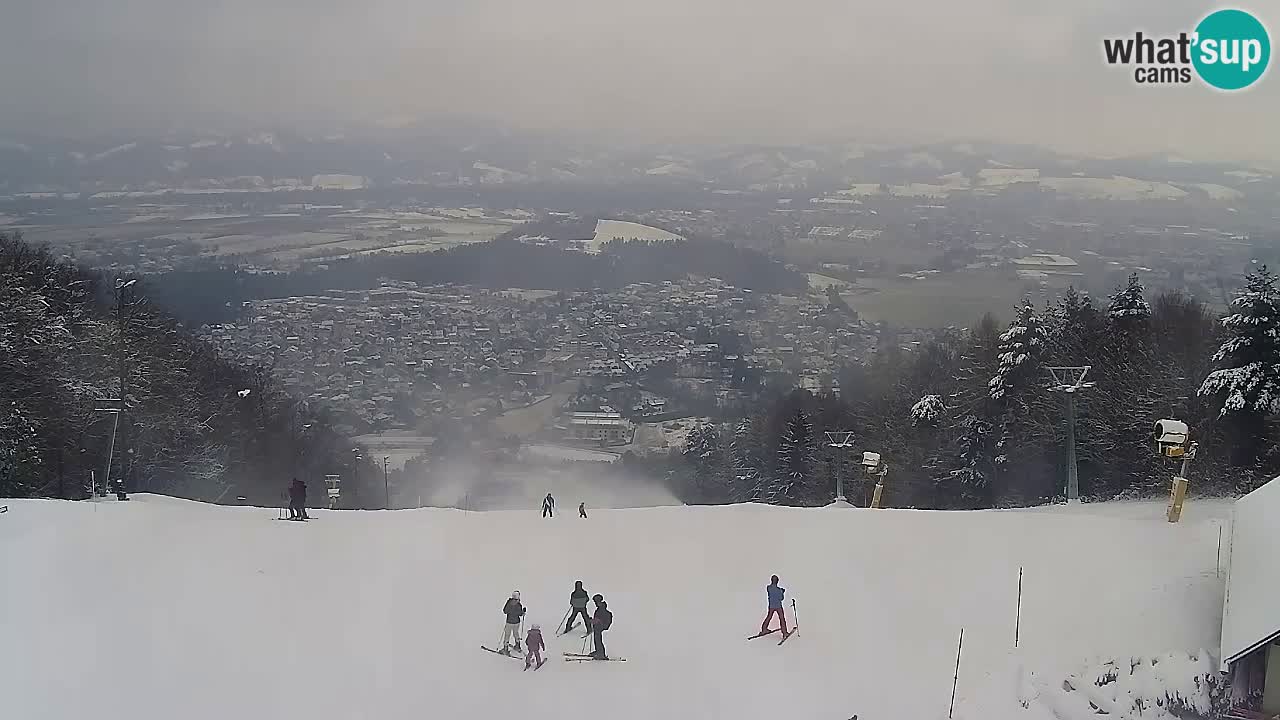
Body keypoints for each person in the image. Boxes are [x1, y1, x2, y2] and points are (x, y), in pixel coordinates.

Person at [500, 590, 525, 654]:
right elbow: (520, 614)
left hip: (509, 622)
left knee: (507, 635)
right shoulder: (519, 604)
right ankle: (517, 645)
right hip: (516, 622)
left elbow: (505, 611)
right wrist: (523, 612)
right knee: (516, 633)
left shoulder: (509, 603)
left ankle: (505, 648)